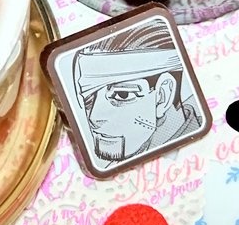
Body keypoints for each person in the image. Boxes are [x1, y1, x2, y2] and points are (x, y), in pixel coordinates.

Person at [73, 20, 203, 165]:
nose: (94, 117)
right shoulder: (132, 154)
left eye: (122, 95)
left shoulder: (197, 154)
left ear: (163, 96)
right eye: (88, 98)